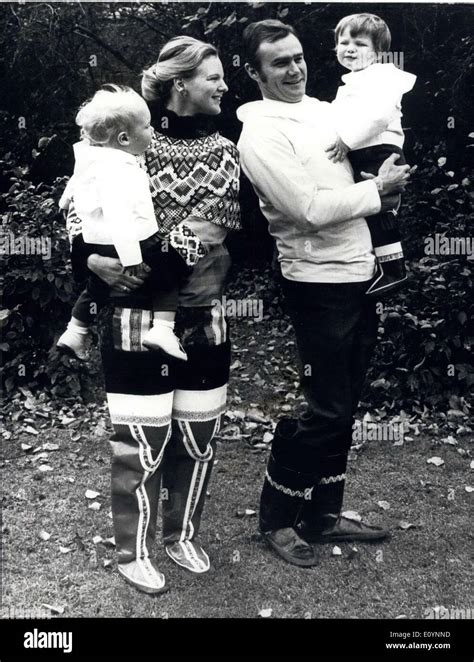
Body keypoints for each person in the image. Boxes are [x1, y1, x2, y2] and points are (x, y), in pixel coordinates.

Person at [66, 36, 240, 592]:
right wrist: (94, 259)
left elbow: (229, 233)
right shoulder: (127, 146)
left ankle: (180, 533)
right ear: (179, 83)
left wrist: (147, 264)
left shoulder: (226, 150)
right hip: (132, 319)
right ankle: (132, 550)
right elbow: (78, 219)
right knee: (140, 441)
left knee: (197, 434)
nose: (223, 85)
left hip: (202, 313)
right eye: (212, 77)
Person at [237, 20, 410, 566]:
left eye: (297, 57)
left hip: (361, 273)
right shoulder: (259, 133)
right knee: (326, 407)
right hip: (316, 284)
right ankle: (277, 517)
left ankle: (323, 515)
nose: (295, 68)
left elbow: (364, 156)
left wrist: (387, 183)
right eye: (279, 62)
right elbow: (307, 209)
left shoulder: (322, 109)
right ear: (254, 72)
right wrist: (377, 191)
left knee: (346, 403)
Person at [57, 85, 187, 361]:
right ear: (125, 138)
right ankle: (164, 328)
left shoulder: (90, 158)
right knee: (171, 268)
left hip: (97, 242)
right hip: (131, 241)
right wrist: (132, 259)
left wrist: (65, 201)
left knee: (97, 286)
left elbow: (72, 189)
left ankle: (75, 330)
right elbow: (119, 217)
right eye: (147, 127)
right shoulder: (120, 168)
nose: (152, 132)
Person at [327, 13, 416, 297]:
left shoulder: (383, 76)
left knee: (380, 208)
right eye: (344, 42)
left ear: (378, 52)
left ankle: (395, 268)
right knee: (367, 208)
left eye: (360, 43)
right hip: (364, 151)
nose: (350, 48)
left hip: (379, 150)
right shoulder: (352, 81)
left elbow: (379, 116)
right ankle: (379, 265)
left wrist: (346, 142)